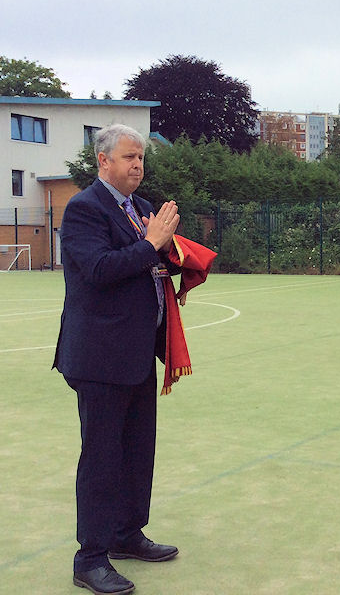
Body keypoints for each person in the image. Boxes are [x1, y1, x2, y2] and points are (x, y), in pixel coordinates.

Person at [53, 124, 180, 595]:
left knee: (136, 450)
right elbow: (101, 270)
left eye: (141, 158)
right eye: (129, 157)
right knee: (102, 457)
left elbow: (150, 264)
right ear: (102, 161)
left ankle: (127, 534)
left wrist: (173, 256)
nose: (138, 166)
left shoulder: (143, 209)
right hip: (99, 358)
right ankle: (90, 558)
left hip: (137, 352)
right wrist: (151, 245)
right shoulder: (84, 209)